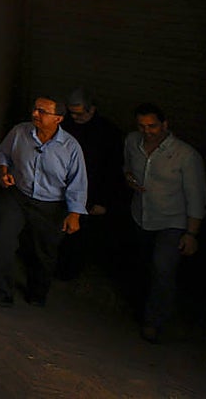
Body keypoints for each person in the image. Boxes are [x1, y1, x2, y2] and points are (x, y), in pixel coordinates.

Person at [0, 96, 88, 307]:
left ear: (58, 119)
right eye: (35, 109)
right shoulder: (19, 132)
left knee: (44, 252)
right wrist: (3, 171)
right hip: (17, 196)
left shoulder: (70, 147)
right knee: (3, 240)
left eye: (43, 112)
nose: (35, 114)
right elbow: (2, 153)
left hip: (50, 205)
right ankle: (2, 293)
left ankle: (37, 292)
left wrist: (74, 214)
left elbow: (77, 182)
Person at [123, 103, 206, 342]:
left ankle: (155, 321)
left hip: (171, 221)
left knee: (163, 269)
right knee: (143, 265)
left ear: (164, 125)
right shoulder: (132, 142)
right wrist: (129, 178)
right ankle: (141, 308)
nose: (147, 131)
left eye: (152, 126)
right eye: (142, 126)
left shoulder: (185, 156)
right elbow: (127, 167)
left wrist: (191, 234)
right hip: (141, 216)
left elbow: (196, 197)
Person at [56, 86, 124, 280]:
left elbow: (112, 170)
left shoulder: (108, 133)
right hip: (64, 189)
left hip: (92, 193)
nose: (75, 118)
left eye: (79, 114)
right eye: (71, 113)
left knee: (81, 238)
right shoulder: (66, 125)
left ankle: (70, 272)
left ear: (91, 109)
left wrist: (104, 201)